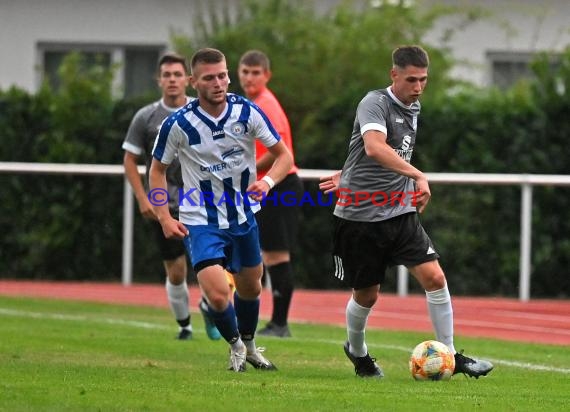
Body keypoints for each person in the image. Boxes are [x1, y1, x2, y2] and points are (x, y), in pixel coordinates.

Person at [319, 45, 494, 379]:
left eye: (423, 80)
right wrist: (416, 174)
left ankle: (452, 355)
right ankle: (358, 353)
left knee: (435, 277)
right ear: (393, 74)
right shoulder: (374, 102)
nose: (418, 87)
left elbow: (372, 152)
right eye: (411, 79)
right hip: (359, 218)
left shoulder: (414, 106)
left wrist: (352, 173)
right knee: (367, 295)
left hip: (399, 212)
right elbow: (372, 147)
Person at [149, 48, 293, 372]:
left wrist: (267, 182)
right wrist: (163, 216)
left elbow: (283, 155)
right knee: (216, 296)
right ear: (193, 81)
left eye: (223, 75)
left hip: (243, 215)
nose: (219, 83)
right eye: (209, 77)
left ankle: (252, 346)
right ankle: (237, 346)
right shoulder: (178, 124)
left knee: (252, 286)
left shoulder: (248, 112)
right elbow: (156, 170)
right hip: (200, 220)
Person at [122, 52, 221, 341]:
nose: (172, 80)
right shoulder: (146, 117)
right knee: (176, 270)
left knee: (211, 262)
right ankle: (185, 325)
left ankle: (209, 303)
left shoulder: (203, 110)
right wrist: (143, 198)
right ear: (159, 81)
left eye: (177, 75)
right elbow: (130, 159)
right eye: (167, 75)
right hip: (165, 203)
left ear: (188, 80)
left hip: (201, 201)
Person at [238, 50, 303, 338]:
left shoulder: (266, 105)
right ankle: (277, 322)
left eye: (256, 72)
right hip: (269, 187)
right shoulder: (254, 103)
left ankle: (280, 323)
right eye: (245, 71)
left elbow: (278, 153)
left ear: (267, 75)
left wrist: (243, 169)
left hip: (280, 186)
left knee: (277, 256)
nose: (250, 77)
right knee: (269, 254)